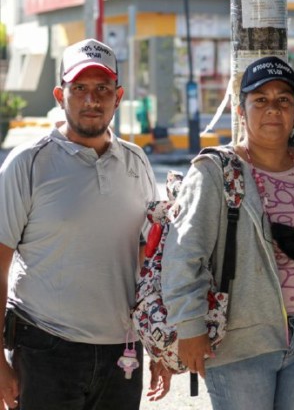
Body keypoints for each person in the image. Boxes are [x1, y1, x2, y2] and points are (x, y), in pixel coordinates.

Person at [161, 56, 294, 410]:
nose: (273, 109)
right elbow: (184, 254)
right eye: (261, 100)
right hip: (242, 340)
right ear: (241, 110)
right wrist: (190, 325)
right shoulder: (216, 172)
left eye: (283, 100)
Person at [0, 38, 171, 409]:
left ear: (118, 95)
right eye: (80, 89)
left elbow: (148, 258)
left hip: (122, 353)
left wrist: (157, 342)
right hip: (44, 348)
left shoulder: (136, 162)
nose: (91, 100)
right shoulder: (28, 164)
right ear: (61, 94)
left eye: (102, 89)